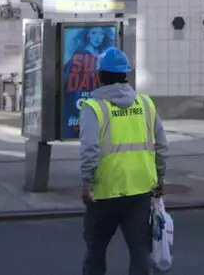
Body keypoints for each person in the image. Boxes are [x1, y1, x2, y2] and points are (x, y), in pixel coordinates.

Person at [79, 48, 168, 275]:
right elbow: (161, 146)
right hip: (140, 188)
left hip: (104, 191)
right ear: (125, 75)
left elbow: (90, 149)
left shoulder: (94, 107)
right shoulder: (146, 104)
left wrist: (86, 183)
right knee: (139, 250)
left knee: (96, 248)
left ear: (100, 76)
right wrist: (160, 179)